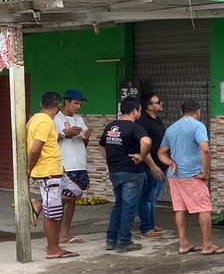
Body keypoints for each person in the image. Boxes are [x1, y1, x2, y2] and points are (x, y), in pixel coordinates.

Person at [158, 100, 224, 255]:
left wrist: (170, 162)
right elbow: (205, 150)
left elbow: (161, 152)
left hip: (175, 176)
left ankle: (183, 244)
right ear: (198, 112)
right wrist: (206, 172)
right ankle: (207, 245)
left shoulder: (171, 128)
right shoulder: (198, 126)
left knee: (180, 209)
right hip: (193, 175)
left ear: (181, 112)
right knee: (204, 208)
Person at [27, 91, 82, 259]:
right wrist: (30, 168)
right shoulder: (44, 122)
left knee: (76, 192)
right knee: (53, 213)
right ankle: (53, 249)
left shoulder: (35, 118)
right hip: (47, 172)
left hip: (56, 169)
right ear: (59, 106)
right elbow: (36, 148)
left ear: (41, 104)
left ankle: (39, 203)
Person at [99, 98, 151, 252]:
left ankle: (111, 239)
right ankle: (124, 241)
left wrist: (111, 160)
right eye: (139, 110)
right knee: (128, 207)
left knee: (119, 204)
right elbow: (147, 142)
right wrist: (141, 156)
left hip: (115, 171)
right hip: (131, 172)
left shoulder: (110, 126)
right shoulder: (135, 127)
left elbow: (102, 146)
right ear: (135, 111)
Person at [53, 88, 90, 245]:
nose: (78, 107)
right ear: (66, 102)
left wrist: (86, 137)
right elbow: (49, 141)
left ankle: (65, 233)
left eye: (80, 104)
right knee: (63, 199)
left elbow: (84, 142)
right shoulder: (56, 119)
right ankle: (53, 233)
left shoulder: (79, 119)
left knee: (73, 198)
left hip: (79, 163)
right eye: (75, 103)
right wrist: (64, 134)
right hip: (64, 164)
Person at [137, 92, 168, 239]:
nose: (161, 104)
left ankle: (151, 224)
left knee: (153, 197)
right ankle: (146, 227)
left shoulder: (157, 120)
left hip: (161, 164)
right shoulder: (143, 121)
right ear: (150, 106)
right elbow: (143, 146)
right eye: (158, 102)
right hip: (151, 165)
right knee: (147, 197)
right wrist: (152, 165)